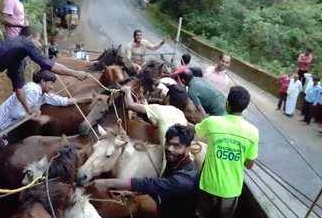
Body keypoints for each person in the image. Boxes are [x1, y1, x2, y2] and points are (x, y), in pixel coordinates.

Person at [0, 27, 88, 148]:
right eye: (38, 40)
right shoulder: (25, 42)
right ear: (29, 38)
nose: (40, 44)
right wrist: (75, 73)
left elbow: (19, 90)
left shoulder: (15, 58)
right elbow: (49, 64)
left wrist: (29, 110)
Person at [91, 124, 199, 218]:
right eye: (168, 144)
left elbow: (154, 184)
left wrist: (107, 182)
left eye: (177, 146)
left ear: (188, 149)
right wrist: (133, 193)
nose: (170, 149)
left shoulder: (186, 178)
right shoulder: (174, 162)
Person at [195, 86, 259, 218]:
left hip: (208, 185)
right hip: (231, 190)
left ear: (227, 104)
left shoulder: (212, 122)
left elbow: (196, 135)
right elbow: (249, 165)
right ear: (244, 108)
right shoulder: (253, 132)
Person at [0, 70, 91, 133]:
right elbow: (15, 112)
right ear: (42, 82)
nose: (52, 87)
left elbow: (62, 101)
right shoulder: (33, 90)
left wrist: (83, 99)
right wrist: (38, 118)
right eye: (51, 83)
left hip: (4, 127)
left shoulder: (42, 93)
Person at [121, 86, 187, 144]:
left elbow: (129, 105)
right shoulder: (181, 114)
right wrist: (146, 107)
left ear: (168, 97)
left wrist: (127, 91)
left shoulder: (158, 109)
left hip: (166, 154)